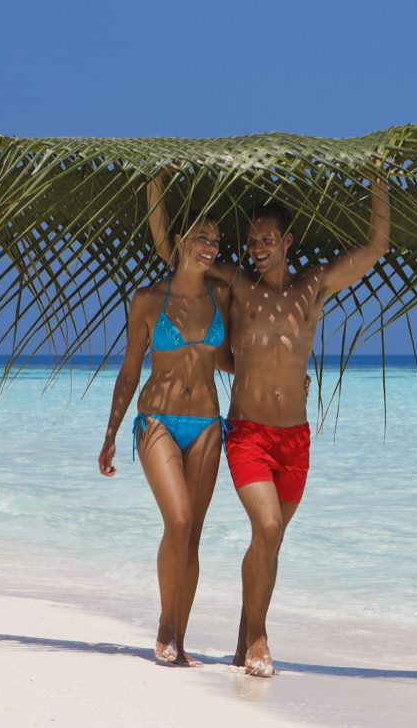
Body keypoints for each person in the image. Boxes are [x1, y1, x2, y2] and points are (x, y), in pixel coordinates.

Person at [149, 169, 390, 675]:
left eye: (266, 239)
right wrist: (158, 187)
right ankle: (259, 638)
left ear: (287, 240)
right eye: (253, 240)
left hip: (296, 439)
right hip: (248, 434)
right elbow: (174, 253)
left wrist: (378, 183)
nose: (256, 247)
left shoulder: (314, 285)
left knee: (270, 541)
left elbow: (374, 249)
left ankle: (242, 642)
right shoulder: (236, 284)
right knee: (268, 524)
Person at [97, 215, 231, 668]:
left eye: (215, 240)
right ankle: (164, 624)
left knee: (192, 536)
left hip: (209, 424)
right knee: (177, 521)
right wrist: (111, 433)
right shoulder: (149, 301)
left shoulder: (222, 296)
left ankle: (180, 639)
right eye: (200, 238)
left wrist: (288, 377)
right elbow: (131, 370)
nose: (209, 247)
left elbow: (233, 360)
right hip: (157, 421)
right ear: (179, 241)